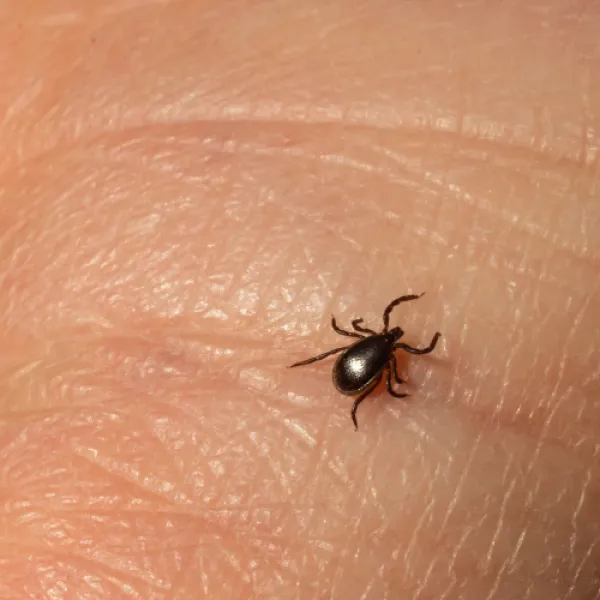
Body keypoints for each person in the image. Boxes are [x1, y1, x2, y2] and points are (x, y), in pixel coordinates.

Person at [1, 2, 598, 597]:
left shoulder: (369, 343)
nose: (389, 338)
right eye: (388, 335)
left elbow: (362, 352)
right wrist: (387, 377)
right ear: (377, 337)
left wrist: (383, 369)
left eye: (390, 338)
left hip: (348, 373)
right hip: (351, 376)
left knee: (346, 374)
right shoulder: (381, 354)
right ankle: (352, 405)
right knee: (356, 382)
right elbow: (379, 370)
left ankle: (350, 402)